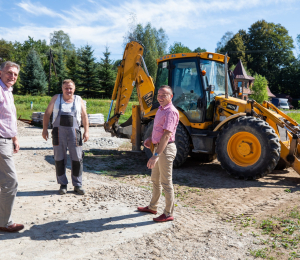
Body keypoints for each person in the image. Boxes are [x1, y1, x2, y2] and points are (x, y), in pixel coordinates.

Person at [138, 85, 179, 222]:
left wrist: (156, 156)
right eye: (159, 95)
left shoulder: (171, 112)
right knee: (155, 180)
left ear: (171, 96)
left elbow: (167, 135)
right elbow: (159, 130)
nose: (160, 98)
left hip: (165, 150)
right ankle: (153, 206)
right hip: (158, 147)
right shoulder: (161, 109)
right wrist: (151, 139)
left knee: (166, 182)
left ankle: (168, 213)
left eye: (164, 95)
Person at [42, 79, 89, 195]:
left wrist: (86, 131)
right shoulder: (56, 98)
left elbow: (84, 116)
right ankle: (63, 184)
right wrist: (44, 130)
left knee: (77, 158)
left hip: (75, 132)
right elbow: (47, 113)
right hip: (58, 132)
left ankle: (77, 184)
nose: (68, 90)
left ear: (74, 89)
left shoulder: (78, 99)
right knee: (59, 158)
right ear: (62, 89)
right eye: (66, 88)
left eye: (70, 88)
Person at [0, 61, 24, 232]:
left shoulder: (8, 91)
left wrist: (15, 137)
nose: (12, 77)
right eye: (9, 72)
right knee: (11, 181)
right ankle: (4, 222)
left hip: (7, 140)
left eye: (15, 74)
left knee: (5, 181)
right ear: (1, 72)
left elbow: (9, 117)